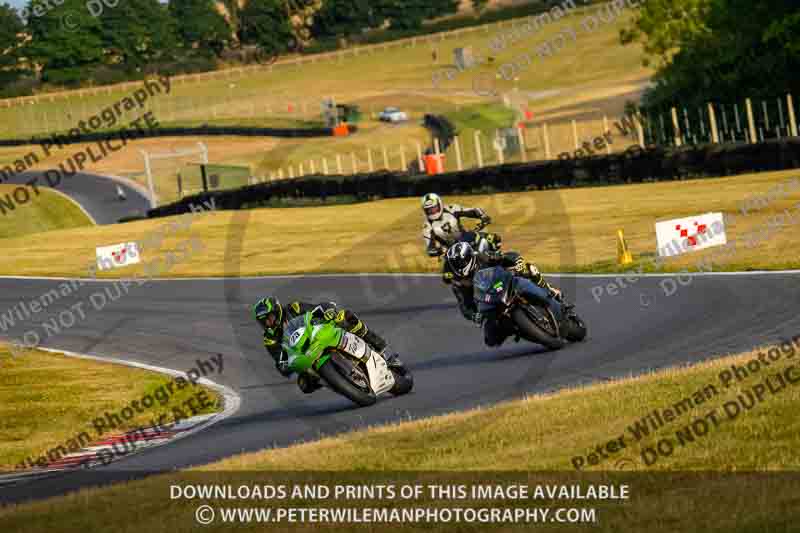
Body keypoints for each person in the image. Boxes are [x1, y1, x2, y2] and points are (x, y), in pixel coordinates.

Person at [252, 297, 404, 393]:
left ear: (277, 311)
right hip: (304, 356)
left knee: (345, 317)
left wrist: (327, 311)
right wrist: (282, 365)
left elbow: (316, 309)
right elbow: (279, 358)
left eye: (269, 318)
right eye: (263, 321)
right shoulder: (269, 338)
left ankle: (380, 348)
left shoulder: (293, 308)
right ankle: (333, 381)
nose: (267, 323)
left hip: (318, 334)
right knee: (304, 384)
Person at [443, 242, 565, 347]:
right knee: (491, 340)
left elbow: (507, 256)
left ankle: (549, 289)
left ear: (469, 256)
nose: (460, 264)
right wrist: (475, 316)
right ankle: (521, 330)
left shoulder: (482, 256)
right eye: (456, 263)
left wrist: (514, 261)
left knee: (529, 269)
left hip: (506, 283)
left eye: (461, 261)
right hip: (489, 302)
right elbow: (464, 307)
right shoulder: (458, 283)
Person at [421, 193, 501, 257]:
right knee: (448, 275)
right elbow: (430, 248)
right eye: (429, 210)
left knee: (494, 239)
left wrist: (483, 216)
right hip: (451, 252)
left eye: (434, 208)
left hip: (466, 239)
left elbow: (472, 211)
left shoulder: (451, 209)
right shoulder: (427, 227)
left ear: (440, 204)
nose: (432, 211)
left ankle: (504, 263)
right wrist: (439, 250)